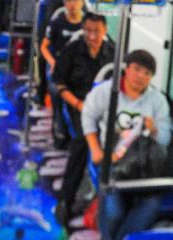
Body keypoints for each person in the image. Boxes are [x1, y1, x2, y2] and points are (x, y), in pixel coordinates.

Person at [82, 50, 171, 240]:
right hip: (113, 161)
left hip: (144, 167)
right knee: (114, 213)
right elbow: (88, 116)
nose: (141, 76)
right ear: (126, 69)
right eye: (137, 69)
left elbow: (165, 140)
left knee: (151, 206)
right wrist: (95, 149)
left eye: (147, 73)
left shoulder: (157, 101)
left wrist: (154, 130)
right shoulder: (106, 92)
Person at [52, 12, 115, 224]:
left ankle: (112, 199)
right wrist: (80, 105)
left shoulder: (112, 52)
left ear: (105, 31)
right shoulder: (72, 51)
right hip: (78, 104)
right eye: (88, 30)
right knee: (82, 142)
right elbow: (59, 85)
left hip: (105, 107)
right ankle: (66, 199)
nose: (92, 36)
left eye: (96, 31)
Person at [40, 0, 86, 75]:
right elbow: (44, 47)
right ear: (64, 4)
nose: (72, 3)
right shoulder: (57, 22)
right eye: (68, 0)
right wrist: (53, 63)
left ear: (82, 2)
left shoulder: (89, 24)